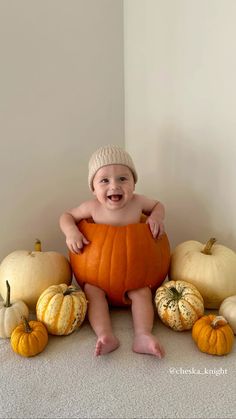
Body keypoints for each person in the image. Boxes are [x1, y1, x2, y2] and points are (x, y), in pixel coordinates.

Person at [59, 144, 166, 358]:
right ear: (93, 188)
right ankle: (105, 335)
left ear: (134, 183)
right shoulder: (92, 207)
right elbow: (66, 216)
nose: (114, 186)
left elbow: (158, 205)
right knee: (92, 293)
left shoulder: (138, 203)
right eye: (104, 180)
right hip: (98, 277)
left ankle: (143, 335)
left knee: (143, 294)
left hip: (136, 274)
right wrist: (71, 232)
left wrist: (156, 217)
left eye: (123, 179)